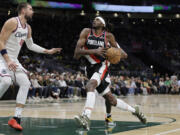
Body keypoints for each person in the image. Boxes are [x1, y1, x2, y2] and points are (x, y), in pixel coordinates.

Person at [74, 16, 147, 130]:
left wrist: (112, 52)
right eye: (94, 19)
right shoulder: (86, 32)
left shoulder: (108, 36)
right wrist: (95, 51)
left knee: (90, 85)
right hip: (89, 69)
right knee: (111, 99)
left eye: (98, 19)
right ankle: (135, 111)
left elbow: (124, 54)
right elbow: (76, 53)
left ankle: (86, 117)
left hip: (102, 66)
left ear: (103, 25)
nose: (94, 20)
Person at [0, 2, 61, 131]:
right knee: (5, 81)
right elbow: (1, 41)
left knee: (26, 83)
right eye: (30, 9)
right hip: (2, 58)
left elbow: (31, 45)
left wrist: (48, 51)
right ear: (23, 10)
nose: (33, 11)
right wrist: (7, 59)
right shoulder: (12, 22)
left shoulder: (28, 28)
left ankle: (16, 118)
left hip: (14, 60)